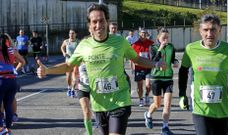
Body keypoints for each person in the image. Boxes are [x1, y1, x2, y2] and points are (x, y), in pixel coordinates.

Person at [37, 3, 165, 135]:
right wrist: (47, 70)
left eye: (102, 20)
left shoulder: (120, 42)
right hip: (98, 103)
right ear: (89, 26)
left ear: (107, 22)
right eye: (94, 22)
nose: (99, 25)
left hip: (120, 100)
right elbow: (69, 65)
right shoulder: (84, 46)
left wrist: (155, 64)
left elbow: (137, 59)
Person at [178, 14, 228, 135]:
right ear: (200, 31)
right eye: (205, 30)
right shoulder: (191, 49)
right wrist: (182, 94)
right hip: (200, 110)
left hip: (222, 110)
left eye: (213, 29)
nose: (209, 34)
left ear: (219, 30)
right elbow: (183, 71)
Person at [144, 28, 178, 135]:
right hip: (156, 78)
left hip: (168, 78)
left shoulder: (171, 47)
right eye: (163, 37)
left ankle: (165, 127)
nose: (166, 39)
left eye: (167, 37)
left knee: (167, 104)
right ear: (158, 37)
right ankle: (148, 114)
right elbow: (153, 60)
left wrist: (175, 61)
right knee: (157, 104)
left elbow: (172, 58)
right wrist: (160, 48)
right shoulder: (153, 47)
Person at [0, 33, 25, 135]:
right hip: (12, 80)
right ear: (7, 41)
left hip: (1, 80)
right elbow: (22, 61)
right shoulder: (12, 50)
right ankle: (8, 130)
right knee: (8, 106)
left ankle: (1, 129)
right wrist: (14, 70)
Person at [132, 29, 154, 107]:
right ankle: (141, 99)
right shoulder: (135, 44)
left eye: (144, 34)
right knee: (139, 86)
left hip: (148, 66)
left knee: (148, 85)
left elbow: (155, 53)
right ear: (139, 34)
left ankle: (147, 95)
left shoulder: (150, 43)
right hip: (138, 67)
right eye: (142, 34)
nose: (143, 35)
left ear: (147, 34)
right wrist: (133, 67)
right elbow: (131, 57)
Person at [60, 29, 79, 97]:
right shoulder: (66, 41)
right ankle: (69, 88)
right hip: (68, 61)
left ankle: (73, 90)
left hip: (76, 62)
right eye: (70, 33)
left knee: (75, 76)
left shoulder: (78, 42)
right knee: (68, 77)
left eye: (73, 33)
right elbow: (62, 47)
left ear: (75, 34)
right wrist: (64, 52)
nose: (71, 35)